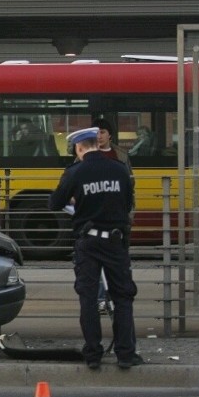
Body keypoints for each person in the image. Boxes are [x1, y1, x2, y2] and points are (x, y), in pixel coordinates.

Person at [48, 127, 142, 370]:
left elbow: (54, 203)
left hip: (88, 242)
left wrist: (76, 199)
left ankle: (93, 355)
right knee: (122, 296)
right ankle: (125, 354)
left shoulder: (75, 172)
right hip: (116, 241)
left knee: (89, 298)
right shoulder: (119, 169)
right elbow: (127, 201)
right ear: (96, 144)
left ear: (79, 148)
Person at [92, 118, 135, 312]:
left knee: (118, 260)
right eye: (96, 132)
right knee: (97, 260)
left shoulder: (121, 156)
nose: (99, 136)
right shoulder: (86, 153)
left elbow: (130, 187)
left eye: (102, 132)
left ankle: (116, 296)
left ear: (110, 134)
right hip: (95, 216)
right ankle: (102, 298)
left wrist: (130, 213)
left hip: (117, 216)